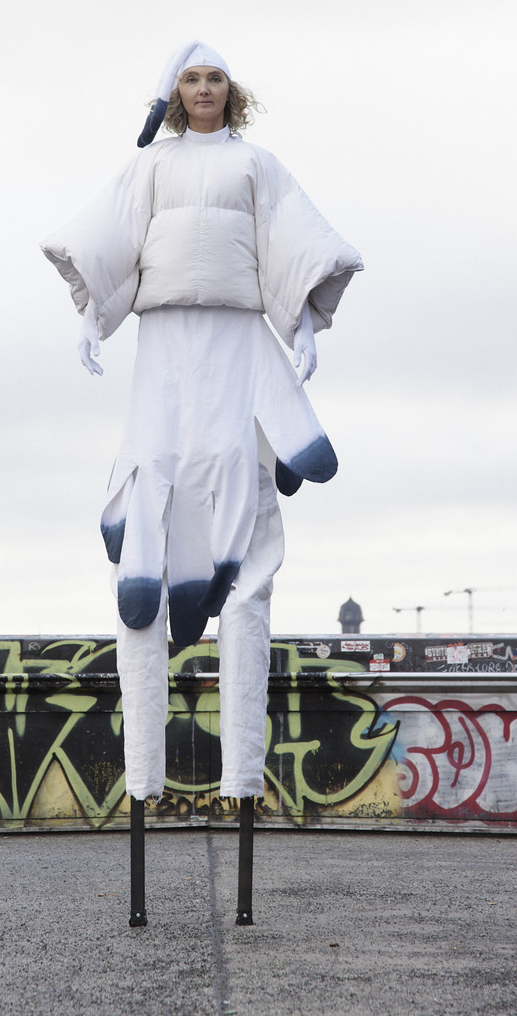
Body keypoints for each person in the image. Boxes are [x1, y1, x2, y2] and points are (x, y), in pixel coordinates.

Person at [41, 40, 363, 806]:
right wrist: (90, 316)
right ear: (176, 92)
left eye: (215, 77)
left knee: (245, 542)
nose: (205, 88)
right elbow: (114, 236)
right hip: (164, 351)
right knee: (148, 523)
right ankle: (143, 778)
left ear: (230, 90)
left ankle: (242, 777)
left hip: (236, 347)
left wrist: (302, 324)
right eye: (191, 78)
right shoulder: (151, 164)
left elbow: (288, 239)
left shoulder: (257, 164)